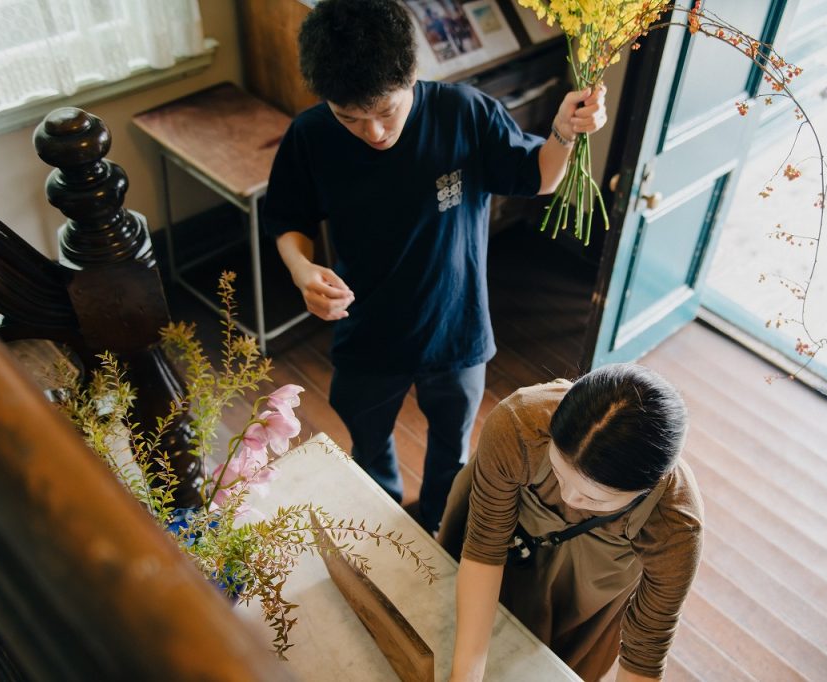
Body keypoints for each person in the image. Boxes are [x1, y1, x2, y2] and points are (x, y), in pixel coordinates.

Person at [261, 0, 608, 534]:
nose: (373, 131)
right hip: (367, 331)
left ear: (414, 76)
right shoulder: (311, 135)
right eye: (350, 117)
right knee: (368, 444)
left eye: (387, 111)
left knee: (452, 451)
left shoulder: (463, 112)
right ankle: (383, 521)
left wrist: (564, 131)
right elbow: (287, 219)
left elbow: (539, 177)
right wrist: (301, 269)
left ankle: (440, 528)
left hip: (456, 327)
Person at [438, 363, 703, 681]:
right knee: (446, 624)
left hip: (589, 585)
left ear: (650, 486)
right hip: (503, 535)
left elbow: (644, 654)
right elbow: (484, 547)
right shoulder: (520, 423)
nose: (569, 498)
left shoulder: (676, 527)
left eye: (595, 499)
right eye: (558, 472)